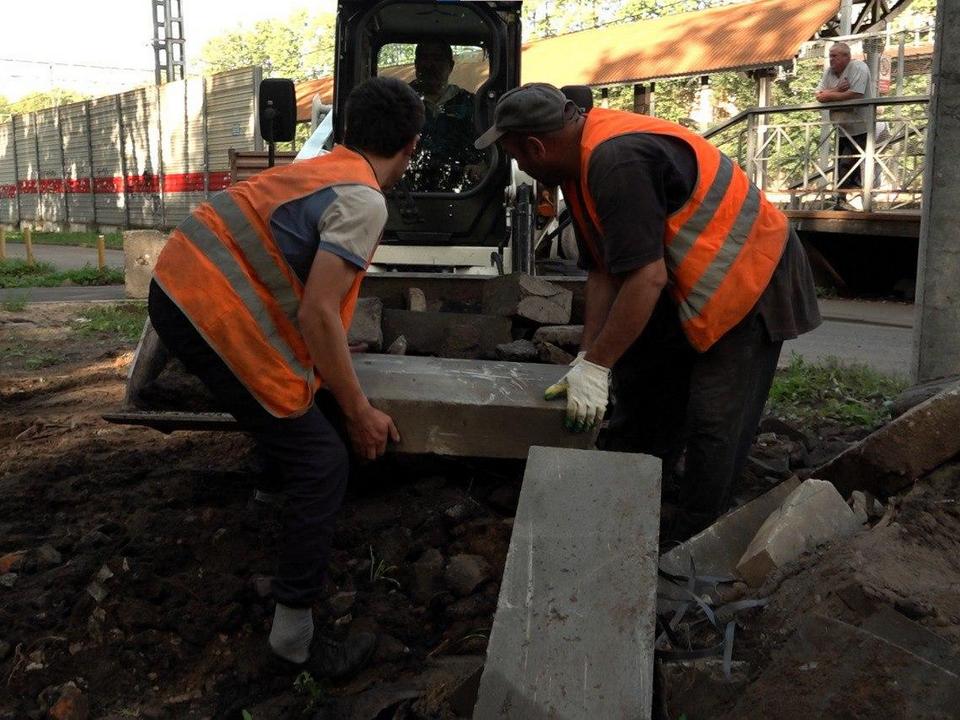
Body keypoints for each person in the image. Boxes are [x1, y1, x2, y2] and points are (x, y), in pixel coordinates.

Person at [147, 77, 424, 676]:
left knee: (302, 400)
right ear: (411, 146)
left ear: (348, 130)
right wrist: (359, 411)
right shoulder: (364, 199)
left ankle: (269, 488)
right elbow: (318, 312)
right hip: (202, 308)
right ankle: (294, 635)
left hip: (178, 283)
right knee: (323, 461)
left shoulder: (324, 169)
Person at [475, 83, 821, 532]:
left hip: (753, 273)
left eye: (516, 155)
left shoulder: (616, 161)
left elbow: (646, 278)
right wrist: (589, 355)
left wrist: (598, 366)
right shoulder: (577, 169)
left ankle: (694, 535)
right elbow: (603, 271)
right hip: (690, 279)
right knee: (642, 381)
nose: (519, 165)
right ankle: (632, 490)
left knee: (713, 419)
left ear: (536, 146)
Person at [408, 41, 485, 191]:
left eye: (437, 59)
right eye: (425, 58)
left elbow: (490, 148)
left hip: (464, 194)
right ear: (416, 63)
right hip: (408, 191)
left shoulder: (471, 104)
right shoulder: (398, 101)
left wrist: (481, 165)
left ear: (450, 65)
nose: (430, 65)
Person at [815, 42, 874, 207]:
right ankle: (843, 199)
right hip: (842, 128)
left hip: (860, 126)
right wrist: (836, 90)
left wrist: (828, 94)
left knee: (850, 163)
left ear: (846, 57)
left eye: (835, 56)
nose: (831, 60)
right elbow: (818, 95)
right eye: (830, 56)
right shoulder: (829, 72)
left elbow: (856, 95)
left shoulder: (858, 67)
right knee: (842, 162)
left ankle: (848, 199)